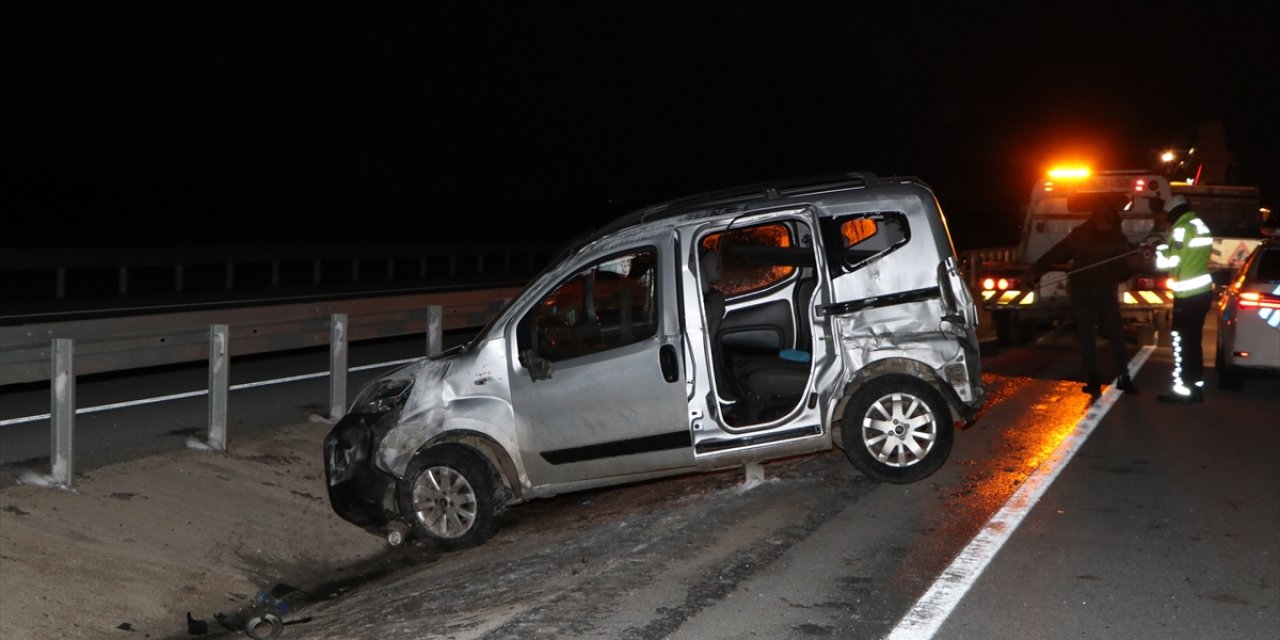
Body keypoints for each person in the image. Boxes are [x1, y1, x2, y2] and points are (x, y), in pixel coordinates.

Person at [1030, 202, 1139, 397]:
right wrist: (1037, 270)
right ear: (1094, 221)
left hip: (1105, 293)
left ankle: (1124, 377)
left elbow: (1121, 272)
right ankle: (1093, 378)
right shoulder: (1080, 235)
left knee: (1116, 335)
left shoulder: (1118, 240)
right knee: (1086, 337)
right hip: (1081, 293)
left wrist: (1132, 265)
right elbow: (1057, 252)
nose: (1103, 226)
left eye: (1107, 223)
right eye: (1100, 222)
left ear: (1113, 223)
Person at [1152, 194, 1214, 403]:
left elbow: (1172, 263)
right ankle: (1196, 387)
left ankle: (1183, 391)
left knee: (1182, 342)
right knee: (1193, 342)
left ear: (1173, 212)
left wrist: (1159, 251)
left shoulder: (1181, 229)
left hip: (1187, 295)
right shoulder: (1199, 224)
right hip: (1202, 292)